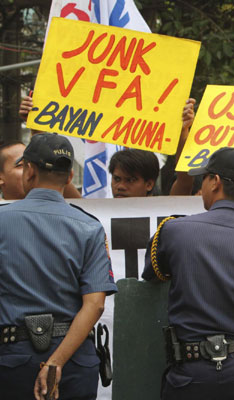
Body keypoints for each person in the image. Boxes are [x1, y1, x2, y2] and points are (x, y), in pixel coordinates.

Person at [142, 147, 234, 400]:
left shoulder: (174, 231)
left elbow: (153, 274)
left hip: (191, 373)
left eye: (206, 177)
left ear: (215, 182)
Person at [0, 133, 117, 399]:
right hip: (74, 361)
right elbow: (96, 304)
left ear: (29, 171)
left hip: (12, 360)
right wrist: (56, 362)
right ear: (67, 178)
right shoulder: (90, 226)